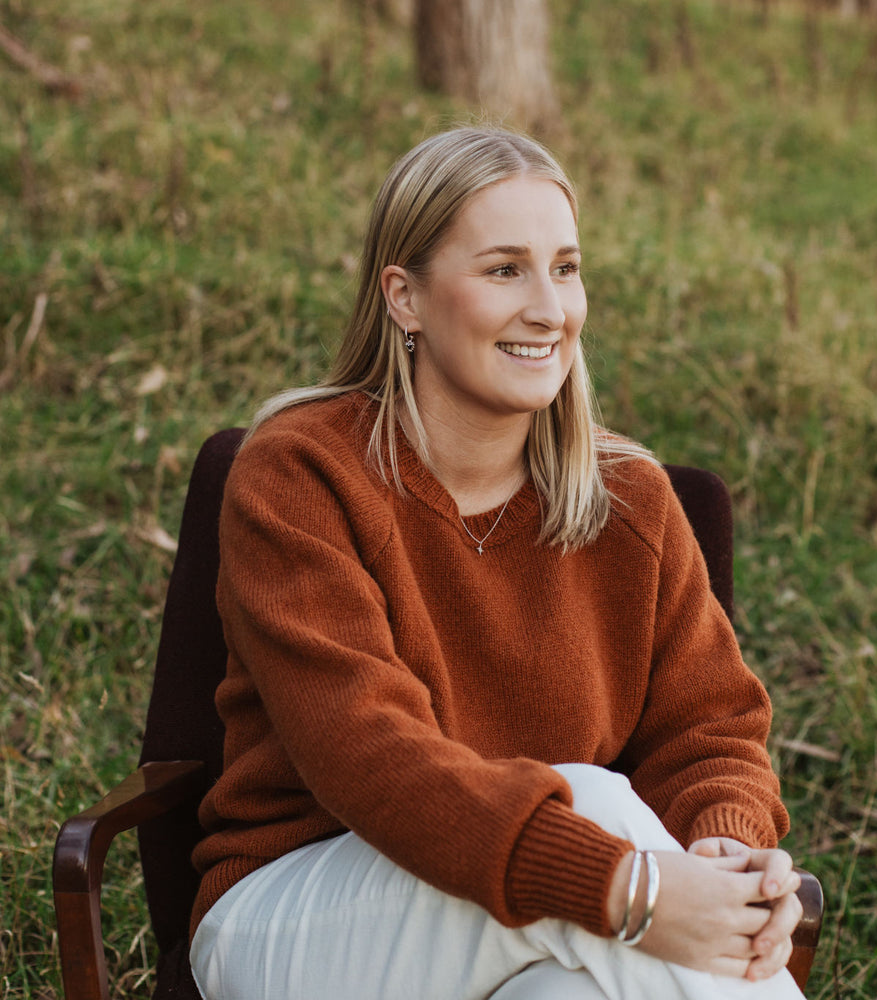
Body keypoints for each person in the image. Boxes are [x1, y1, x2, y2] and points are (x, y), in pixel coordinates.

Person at [188, 126, 806, 1000]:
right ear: (404, 296)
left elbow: (712, 730)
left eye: (565, 267)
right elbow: (370, 753)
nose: (550, 309)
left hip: (542, 921)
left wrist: (724, 851)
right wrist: (633, 888)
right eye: (504, 269)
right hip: (296, 917)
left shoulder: (629, 499)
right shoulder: (303, 474)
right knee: (589, 803)